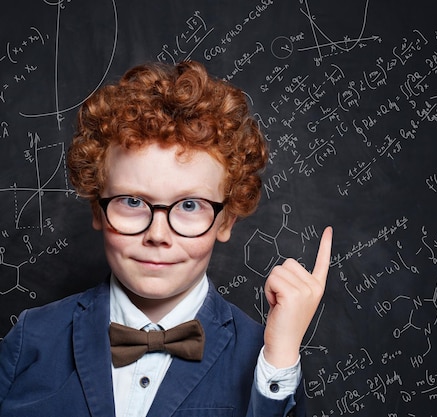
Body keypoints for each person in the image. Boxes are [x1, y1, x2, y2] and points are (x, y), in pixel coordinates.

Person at [0, 60, 332, 417]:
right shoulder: (31, 338)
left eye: (190, 205)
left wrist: (280, 357)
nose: (158, 235)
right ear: (98, 210)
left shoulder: (267, 361)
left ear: (225, 221)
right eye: (132, 201)